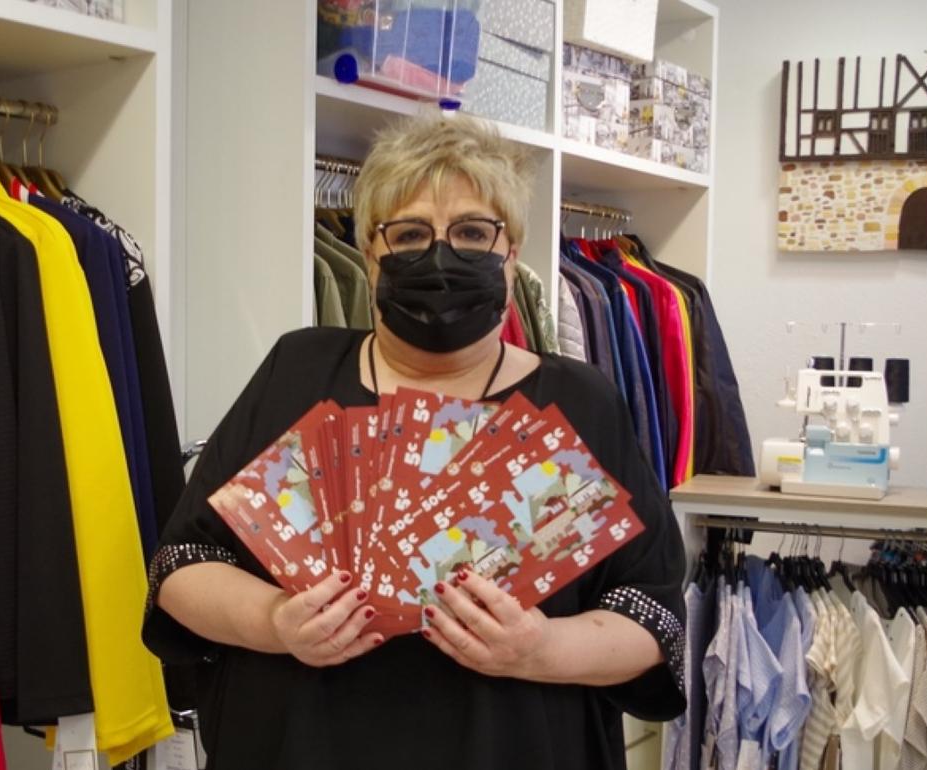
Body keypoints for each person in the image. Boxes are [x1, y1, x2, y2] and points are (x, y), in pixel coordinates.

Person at [144, 112, 686, 770]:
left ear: (512, 252)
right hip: (302, 746)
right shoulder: (297, 373)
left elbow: (651, 614)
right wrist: (274, 621)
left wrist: (540, 649)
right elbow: (181, 566)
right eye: (409, 234)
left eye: (472, 232)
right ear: (370, 254)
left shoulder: (578, 403)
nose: (440, 256)